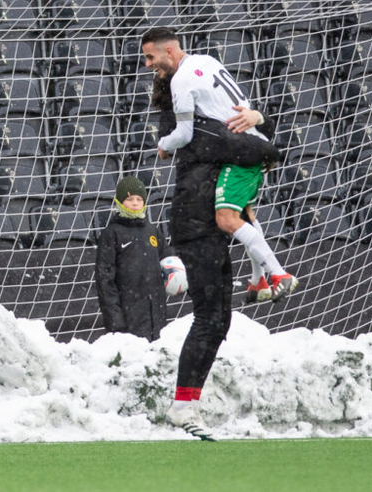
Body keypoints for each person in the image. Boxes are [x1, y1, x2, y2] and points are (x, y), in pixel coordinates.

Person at [142, 27, 286, 441]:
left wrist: (259, 117)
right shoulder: (193, 129)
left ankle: (187, 403)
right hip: (194, 226)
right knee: (209, 319)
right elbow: (246, 147)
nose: (149, 68)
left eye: (152, 61)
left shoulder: (201, 116)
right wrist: (267, 139)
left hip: (205, 226)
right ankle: (182, 407)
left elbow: (240, 135)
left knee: (218, 320)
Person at [147, 27, 298, 304]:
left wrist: (164, 146)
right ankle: (258, 281)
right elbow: (238, 107)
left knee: (226, 219)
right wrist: (258, 118)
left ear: (168, 49)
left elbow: (185, 134)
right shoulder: (208, 61)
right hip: (252, 147)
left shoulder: (181, 80)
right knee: (246, 216)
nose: (148, 65)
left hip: (242, 154)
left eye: (149, 57)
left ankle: (279, 274)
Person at [95, 176, 175, 341]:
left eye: (139, 199)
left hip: (156, 315)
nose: (135, 203)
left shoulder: (153, 232)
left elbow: (168, 262)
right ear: (119, 201)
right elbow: (105, 280)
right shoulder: (112, 233)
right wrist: (115, 321)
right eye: (129, 198)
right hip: (128, 315)